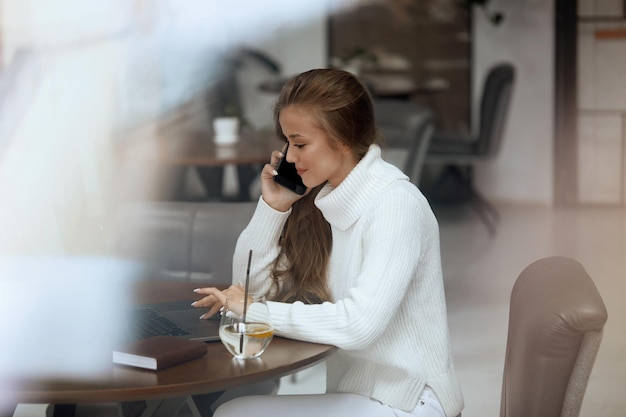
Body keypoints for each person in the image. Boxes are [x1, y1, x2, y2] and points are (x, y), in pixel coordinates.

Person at [192, 68, 464, 417]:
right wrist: (272, 208)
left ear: (345, 139)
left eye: (301, 143)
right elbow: (249, 291)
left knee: (233, 414)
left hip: (409, 401)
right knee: (233, 411)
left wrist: (254, 309)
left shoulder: (395, 204)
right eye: (287, 142)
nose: (289, 157)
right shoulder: (328, 201)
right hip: (363, 394)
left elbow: (358, 326)